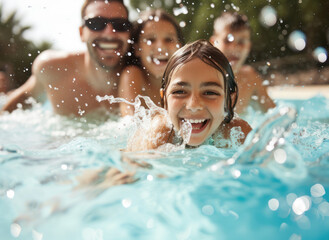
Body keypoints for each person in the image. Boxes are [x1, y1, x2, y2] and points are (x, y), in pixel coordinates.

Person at [1, 0, 132, 116]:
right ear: (81, 33)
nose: (109, 32)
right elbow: (18, 104)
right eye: (96, 23)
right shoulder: (53, 69)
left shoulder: (141, 76)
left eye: (120, 25)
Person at [127, 40, 252, 151]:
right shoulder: (158, 133)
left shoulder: (238, 133)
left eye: (210, 92)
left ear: (229, 99)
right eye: (180, 92)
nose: (193, 105)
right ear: (165, 99)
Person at [118, 9, 184, 116]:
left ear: (179, 47)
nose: (160, 47)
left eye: (168, 39)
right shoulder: (132, 74)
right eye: (151, 40)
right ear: (137, 49)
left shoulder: (187, 77)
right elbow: (129, 120)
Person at [210, 12, 276, 114]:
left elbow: (274, 115)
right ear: (214, 42)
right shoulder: (203, 78)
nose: (235, 47)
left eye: (241, 42)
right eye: (227, 40)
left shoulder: (250, 78)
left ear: (248, 46)